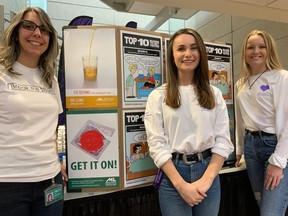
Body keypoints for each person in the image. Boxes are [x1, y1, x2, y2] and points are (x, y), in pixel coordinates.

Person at [144, 28, 234, 216]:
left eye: (193, 48)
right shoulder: (157, 96)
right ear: (172, 55)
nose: (188, 54)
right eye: (181, 49)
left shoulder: (214, 94)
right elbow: (157, 145)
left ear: (200, 52)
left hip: (208, 171)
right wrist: (182, 186)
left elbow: (223, 141)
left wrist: (206, 181)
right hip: (173, 176)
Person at [0, 7, 68, 216]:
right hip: (8, 183)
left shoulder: (50, 79)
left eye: (44, 29)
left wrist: (57, 160)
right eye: (29, 26)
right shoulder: (2, 74)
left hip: (49, 179)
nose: (37, 34)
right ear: (16, 30)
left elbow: (51, 127)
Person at [234, 30, 288, 216]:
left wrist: (279, 161)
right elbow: (241, 119)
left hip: (275, 146)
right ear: (245, 52)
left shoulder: (281, 77)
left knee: (270, 212)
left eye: (261, 46)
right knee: (260, 203)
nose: (255, 51)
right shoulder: (241, 83)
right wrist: (239, 150)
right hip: (251, 148)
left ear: (269, 49)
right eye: (250, 47)